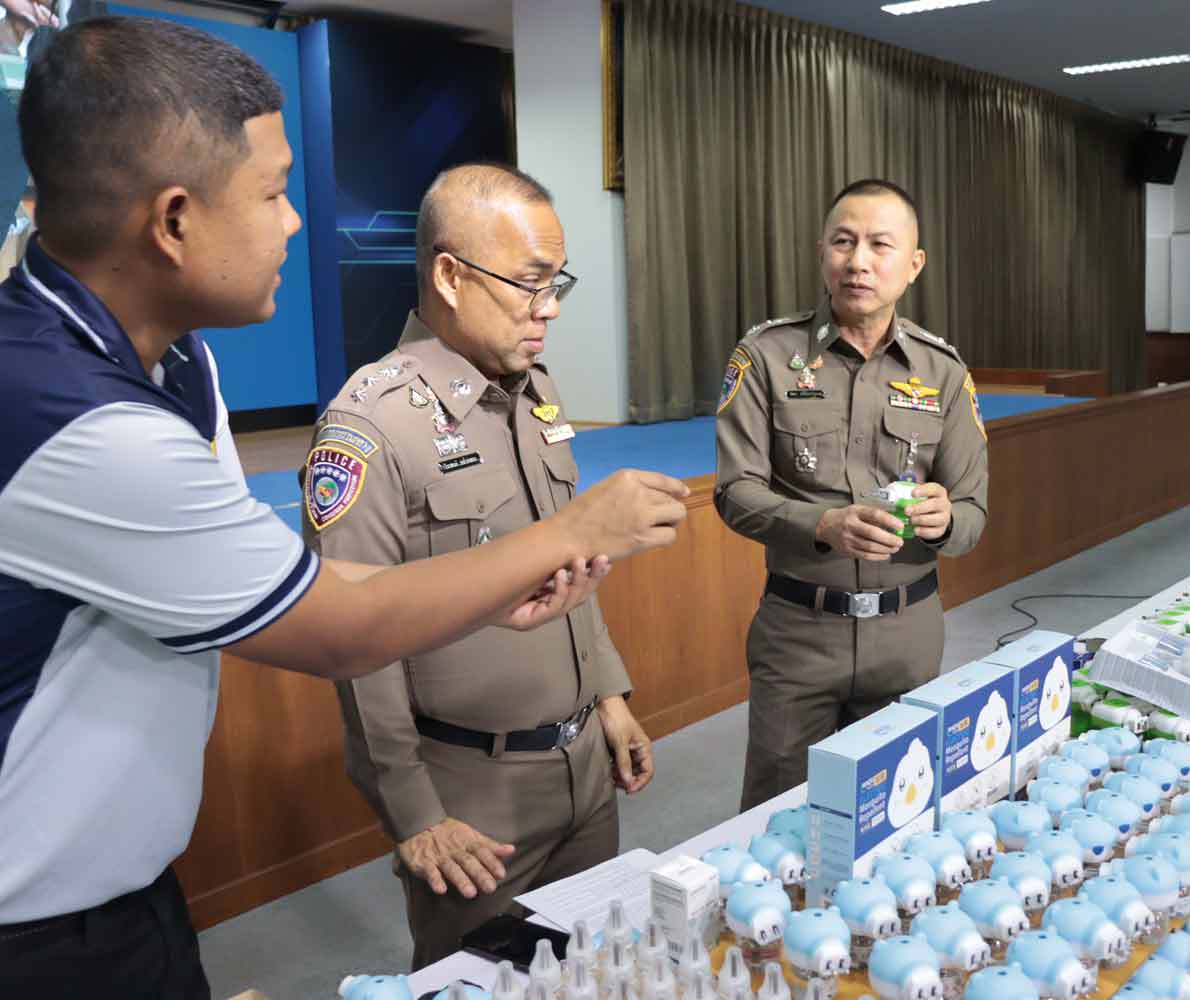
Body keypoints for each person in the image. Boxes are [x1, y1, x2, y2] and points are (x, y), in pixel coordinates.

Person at [0, 18, 687, 998]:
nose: (295, 222)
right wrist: (572, 533)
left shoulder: (172, 364)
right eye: (273, 193)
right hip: (40, 928)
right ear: (175, 220)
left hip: (125, 885)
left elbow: (307, 583)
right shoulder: (78, 421)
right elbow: (340, 625)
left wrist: (520, 604)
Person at [304, 163, 657, 968]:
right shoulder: (371, 426)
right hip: (472, 798)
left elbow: (568, 561)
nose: (550, 306)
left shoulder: (535, 392)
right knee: (480, 979)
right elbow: (354, 642)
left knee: (590, 967)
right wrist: (415, 814)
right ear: (450, 276)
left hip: (583, 768)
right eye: (530, 282)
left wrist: (608, 696)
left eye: (556, 281)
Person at [715, 178, 990, 809]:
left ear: (913, 264)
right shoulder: (765, 357)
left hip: (907, 635)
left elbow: (974, 514)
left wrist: (946, 519)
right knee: (779, 815)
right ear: (822, 254)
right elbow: (735, 493)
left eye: (879, 245)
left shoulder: (943, 372)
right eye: (843, 242)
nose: (858, 261)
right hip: (799, 634)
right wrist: (823, 524)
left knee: (898, 811)